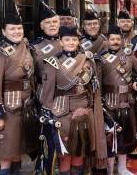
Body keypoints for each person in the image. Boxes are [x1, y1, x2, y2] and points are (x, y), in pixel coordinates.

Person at [41, 26, 107, 174]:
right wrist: (49, 115)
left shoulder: (87, 59)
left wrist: (89, 108)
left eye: (74, 39)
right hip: (62, 113)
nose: (71, 42)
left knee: (80, 152)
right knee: (64, 154)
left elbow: (93, 89)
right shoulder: (53, 62)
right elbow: (47, 93)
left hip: (84, 111)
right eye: (67, 39)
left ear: (79, 41)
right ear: (61, 42)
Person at [0, 9, 34, 175]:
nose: (16, 32)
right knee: (5, 156)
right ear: (3, 31)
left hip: (23, 108)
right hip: (7, 110)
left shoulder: (24, 45)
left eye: (19, 28)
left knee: (17, 152)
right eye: (12, 29)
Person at [95, 25, 137, 175]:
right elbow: (97, 83)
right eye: (113, 39)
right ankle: (110, 170)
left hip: (127, 101)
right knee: (111, 137)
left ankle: (123, 168)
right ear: (108, 40)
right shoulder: (101, 59)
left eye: (118, 39)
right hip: (109, 103)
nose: (116, 41)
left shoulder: (129, 56)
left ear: (122, 40)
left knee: (125, 136)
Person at [117, 10, 137, 160]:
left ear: (132, 23)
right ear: (118, 23)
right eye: (122, 21)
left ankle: (134, 145)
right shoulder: (112, 38)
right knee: (118, 114)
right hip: (117, 82)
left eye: (128, 21)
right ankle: (118, 145)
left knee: (136, 112)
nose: (125, 23)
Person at [31, 1, 62, 101]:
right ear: (41, 26)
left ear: (59, 24)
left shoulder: (69, 42)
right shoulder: (35, 47)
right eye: (48, 22)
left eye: (55, 22)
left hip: (66, 92)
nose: (52, 25)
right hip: (44, 93)